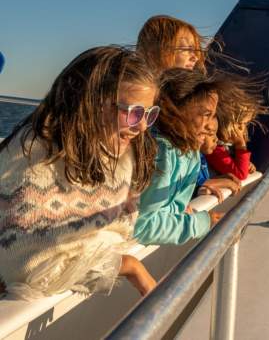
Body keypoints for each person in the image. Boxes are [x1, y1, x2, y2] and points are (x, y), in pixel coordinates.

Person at [0, 47, 158, 299]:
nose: (141, 126)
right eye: (132, 112)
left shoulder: (117, 155)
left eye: (148, 114)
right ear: (90, 102)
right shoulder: (32, 158)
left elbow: (116, 234)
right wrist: (126, 265)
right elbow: (29, 268)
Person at [133, 68, 226, 245]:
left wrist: (178, 211)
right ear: (174, 110)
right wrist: (200, 223)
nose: (211, 125)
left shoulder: (188, 151)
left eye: (213, 116)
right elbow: (142, 227)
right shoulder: (162, 154)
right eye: (206, 115)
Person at [136, 14, 205, 73]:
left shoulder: (197, 87)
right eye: (187, 49)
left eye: (194, 51)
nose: (195, 58)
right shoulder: (132, 87)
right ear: (153, 54)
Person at [195, 116, 241, 200]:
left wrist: (221, 178)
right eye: (211, 134)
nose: (216, 139)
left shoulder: (200, 156)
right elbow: (192, 186)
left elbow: (202, 182)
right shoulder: (189, 159)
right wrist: (227, 183)